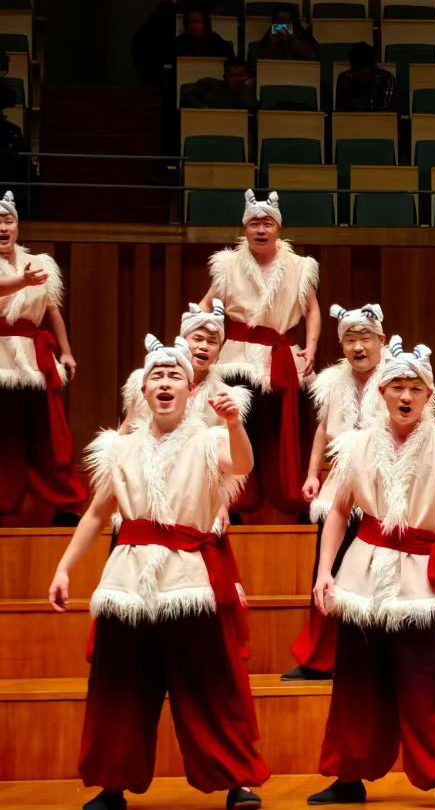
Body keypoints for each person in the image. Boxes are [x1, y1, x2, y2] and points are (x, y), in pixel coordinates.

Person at [47, 336, 266, 810]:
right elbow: (95, 514)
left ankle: (236, 782)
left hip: (189, 579)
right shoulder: (120, 449)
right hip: (128, 580)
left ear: (190, 390)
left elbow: (243, 463)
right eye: (157, 377)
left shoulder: (210, 440)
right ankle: (111, 785)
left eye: (174, 376)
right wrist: (64, 568)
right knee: (118, 687)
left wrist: (233, 423)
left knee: (210, 685)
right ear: (143, 392)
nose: (165, 383)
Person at [307, 336, 435, 810]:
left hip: (422, 577)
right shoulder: (356, 446)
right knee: (359, 683)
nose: (406, 396)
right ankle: (349, 775)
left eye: (415, 388)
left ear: (429, 396)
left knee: (431, 684)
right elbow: (337, 512)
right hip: (364, 574)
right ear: (382, 392)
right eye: (397, 387)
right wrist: (324, 572)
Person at [199, 189, 321, 520]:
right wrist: (198, 339)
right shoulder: (228, 265)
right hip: (238, 358)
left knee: (279, 433)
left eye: (267, 223)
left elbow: (312, 310)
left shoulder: (300, 267)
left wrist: (311, 346)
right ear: (245, 228)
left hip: (282, 357)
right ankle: (236, 500)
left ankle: (289, 500)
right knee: (240, 428)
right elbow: (206, 304)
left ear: (278, 227)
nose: (261, 230)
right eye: (254, 224)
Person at [285, 302, 386, 682]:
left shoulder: (399, 377)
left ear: (382, 340)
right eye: (350, 339)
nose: (358, 346)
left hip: (381, 490)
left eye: (365, 338)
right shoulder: (333, 383)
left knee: (375, 574)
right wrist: (313, 473)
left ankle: (371, 660)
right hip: (338, 487)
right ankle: (321, 659)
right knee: (327, 571)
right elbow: (322, 430)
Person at [0, 189, 87, 523]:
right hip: (2, 357)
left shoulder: (38, 263)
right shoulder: (25, 273)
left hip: (33, 358)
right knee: (5, 433)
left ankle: (59, 504)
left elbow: (52, 310)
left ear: (17, 225)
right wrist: (21, 281)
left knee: (44, 434)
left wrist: (66, 352)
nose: (3, 227)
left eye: (8, 220)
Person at [119, 300, 251, 432]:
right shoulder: (145, 382)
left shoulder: (225, 396)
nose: (204, 346)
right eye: (198, 339)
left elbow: (228, 441)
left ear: (218, 353)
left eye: (212, 342)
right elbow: (128, 428)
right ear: (182, 342)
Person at [333, 42, 395, 112]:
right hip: (349, 118)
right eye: (355, 70)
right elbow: (340, 111)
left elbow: (385, 112)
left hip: (377, 118)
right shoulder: (345, 78)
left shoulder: (386, 78)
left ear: (372, 67)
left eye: (361, 72)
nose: (358, 74)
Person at [180, 57, 257, 110]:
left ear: (248, 77)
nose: (237, 79)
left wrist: (246, 89)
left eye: (241, 75)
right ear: (225, 77)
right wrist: (204, 108)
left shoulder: (249, 92)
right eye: (232, 76)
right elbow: (186, 98)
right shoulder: (209, 84)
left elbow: (250, 108)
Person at [247, 6, 317, 63]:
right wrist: (273, 44)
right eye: (279, 20)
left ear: (294, 22)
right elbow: (260, 63)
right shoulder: (267, 40)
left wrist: (293, 41)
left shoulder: (305, 38)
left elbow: (313, 58)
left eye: (287, 20)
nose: (283, 24)